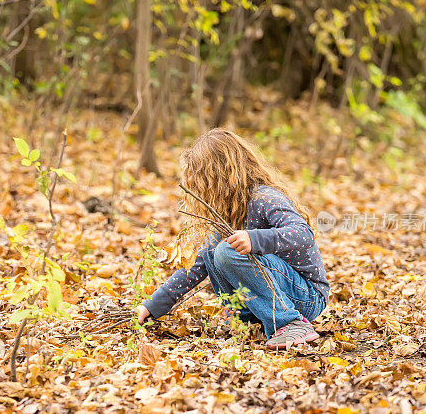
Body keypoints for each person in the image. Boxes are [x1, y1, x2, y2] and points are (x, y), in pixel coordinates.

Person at [137, 129, 329, 349]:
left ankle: (291, 324)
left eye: (203, 184)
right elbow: (196, 267)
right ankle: (249, 321)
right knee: (211, 250)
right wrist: (153, 306)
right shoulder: (231, 211)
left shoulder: (265, 197)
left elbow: (302, 233)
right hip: (278, 292)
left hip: (306, 296)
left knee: (226, 251)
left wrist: (254, 239)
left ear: (220, 178)